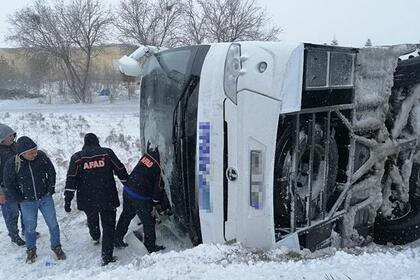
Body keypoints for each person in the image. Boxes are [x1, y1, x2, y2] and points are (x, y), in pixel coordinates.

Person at [64, 133, 128, 266]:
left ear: (85, 143)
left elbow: (71, 179)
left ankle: (95, 236)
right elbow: (120, 169)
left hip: (88, 199)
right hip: (107, 196)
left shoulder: (77, 157)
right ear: (97, 142)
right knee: (109, 226)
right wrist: (128, 185)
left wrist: (68, 199)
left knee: (92, 218)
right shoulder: (107, 153)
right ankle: (106, 256)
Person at [3, 136, 66, 263]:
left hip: (45, 198)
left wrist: (50, 188)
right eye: (31, 153)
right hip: (27, 202)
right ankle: (31, 250)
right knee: (30, 227)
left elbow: (51, 172)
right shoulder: (13, 163)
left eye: (35, 151)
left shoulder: (41, 156)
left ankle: (56, 247)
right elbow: (8, 183)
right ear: (23, 153)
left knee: (53, 224)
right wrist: (19, 198)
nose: (35, 154)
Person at [114, 142, 166, 253]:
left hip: (128, 189)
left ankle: (117, 239)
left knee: (126, 215)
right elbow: (159, 187)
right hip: (140, 196)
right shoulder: (160, 166)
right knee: (149, 222)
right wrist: (154, 204)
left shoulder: (147, 156)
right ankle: (150, 247)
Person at [0, 124, 25, 246]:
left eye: (12, 134)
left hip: (21, 185)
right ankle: (14, 235)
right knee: (12, 213)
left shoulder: (17, 146)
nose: (11, 137)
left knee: (25, 209)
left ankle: (27, 230)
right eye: (8, 135)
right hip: (5, 188)